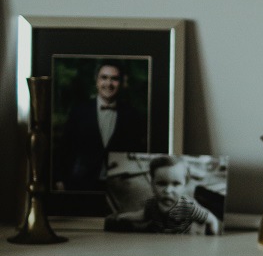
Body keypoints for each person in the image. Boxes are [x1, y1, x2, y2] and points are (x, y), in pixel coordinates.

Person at [59, 58, 148, 191]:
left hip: (119, 188)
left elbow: (137, 153)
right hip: (81, 185)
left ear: (121, 83)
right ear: (96, 81)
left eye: (114, 79)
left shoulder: (132, 115)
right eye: (104, 78)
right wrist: (60, 180)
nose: (109, 83)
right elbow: (65, 149)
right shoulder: (79, 112)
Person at [105, 155, 222, 235]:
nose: (168, 190)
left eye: (176, 184)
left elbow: (211, 220)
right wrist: (123, 216)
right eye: (161, 183)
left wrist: (212, 238)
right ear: (152, 184)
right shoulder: (151, 203)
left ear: (185, 185)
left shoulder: (188, 206)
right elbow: (143, 215)